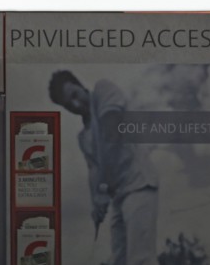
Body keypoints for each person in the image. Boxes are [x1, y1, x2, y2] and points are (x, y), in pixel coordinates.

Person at [48, 70, 158, 265]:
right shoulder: (83, 137)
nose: (75, 104)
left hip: (139, 185)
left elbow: (110, 135)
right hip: (118, 197)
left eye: (74, 95)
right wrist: (95, 205)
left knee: (140, 259)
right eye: (68, 105)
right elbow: (94, 171)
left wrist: (103, 189)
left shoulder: (103, 91)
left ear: (81, 86)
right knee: (119, 260)